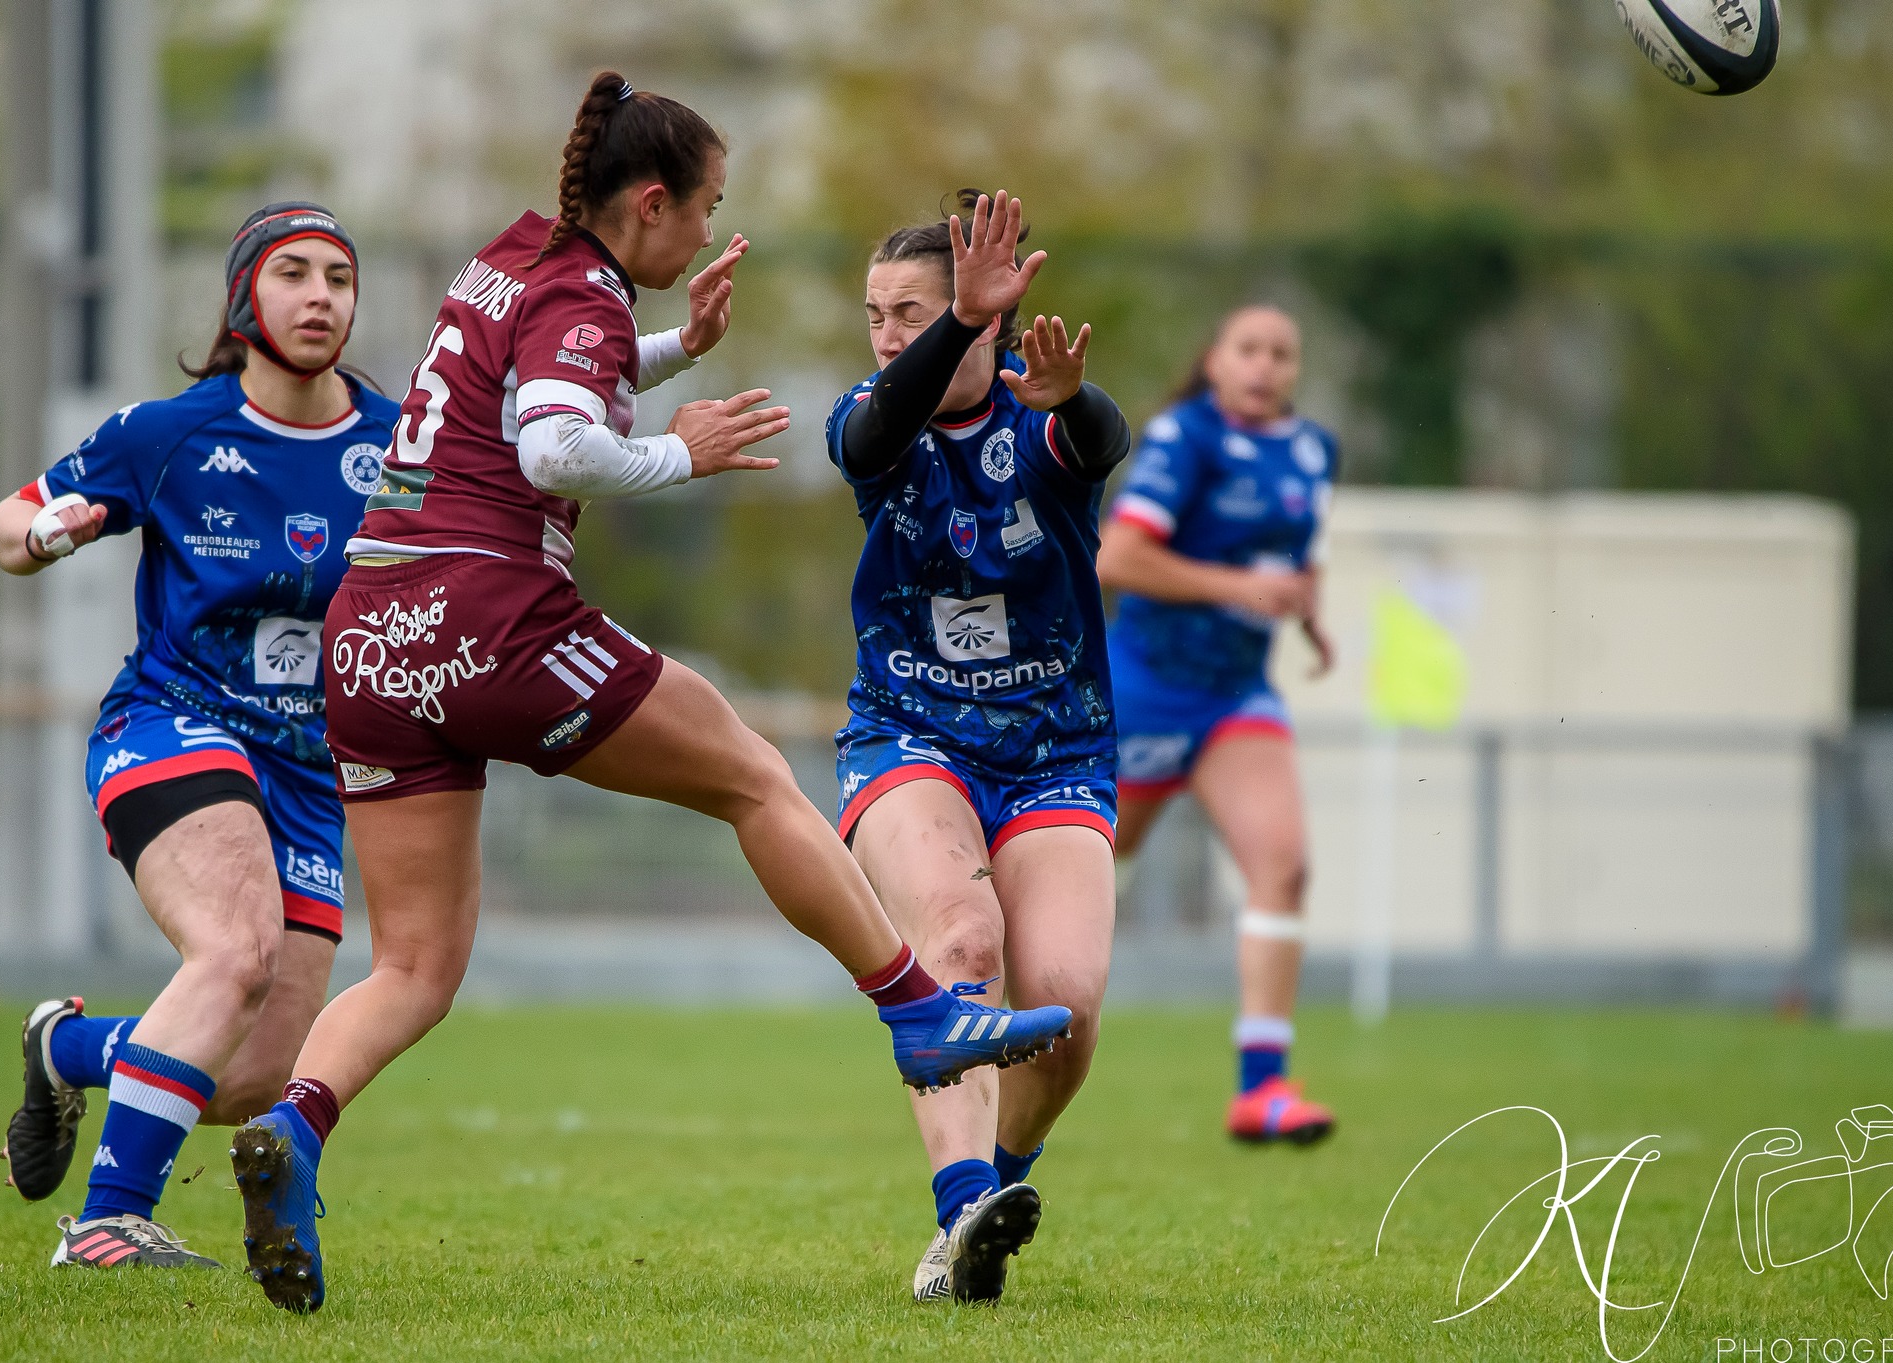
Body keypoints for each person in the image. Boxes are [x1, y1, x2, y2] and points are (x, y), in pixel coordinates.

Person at [227, 76, 1071, 1315]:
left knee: (412, 962)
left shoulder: (510, 258)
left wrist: (676, 351)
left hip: (370, 634)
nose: (708, 228)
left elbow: (527, 381)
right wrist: (688, 448)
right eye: (708, 206)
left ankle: (294, 1129)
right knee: (753, 777)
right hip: (488, 612)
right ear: (651, 202)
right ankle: (918, 1014)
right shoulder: (581, 289)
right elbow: (550, 445)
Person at [0, 203, 400, 1267]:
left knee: (260, 1068)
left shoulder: (399, 445)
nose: (320, 296)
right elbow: (5, 525)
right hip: (174, 725)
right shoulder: (167, 435)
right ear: (243, 299)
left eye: (339, 279)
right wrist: (48, 532)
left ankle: (66, 1047)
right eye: (294, 273)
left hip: (310, 772)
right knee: (234, 949)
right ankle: (109, 1221)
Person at [827, 190, 1132, 1305]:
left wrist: (1076, 395)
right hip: (909, 734)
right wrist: (955, 322)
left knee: (1065, 1004)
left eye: (912, 310)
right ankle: (957, 1206)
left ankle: (997, 1187)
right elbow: (873, 432)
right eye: (879, 311)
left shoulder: (1037, 423)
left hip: (1055, 750)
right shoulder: (867, 418)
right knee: (960, 940)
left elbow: (1102, 439)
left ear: (997, 312)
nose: (889, 333)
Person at [1095, 304, 1341, 1146]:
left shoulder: (1314, 450)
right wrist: (1237, 590)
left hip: (1238, 694)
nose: (1266, 365)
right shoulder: (1182, 439)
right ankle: (992, 1033)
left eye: (1283, 351)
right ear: (1215, 358)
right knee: (1089, 872)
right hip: (1146, 688)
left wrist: (1310, 615)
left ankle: (1262, 1088)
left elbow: (1295, 553)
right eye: (1249, 348)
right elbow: (1117, 557)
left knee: (1285, 865)